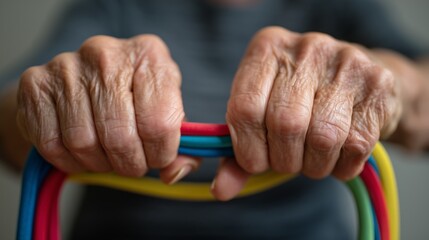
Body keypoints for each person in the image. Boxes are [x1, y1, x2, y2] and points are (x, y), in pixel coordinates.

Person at [0, 0, 428, 239]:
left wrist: (397, 87)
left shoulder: (339, 6)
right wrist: (40, 110)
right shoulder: (114, 5)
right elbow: (11, 114)